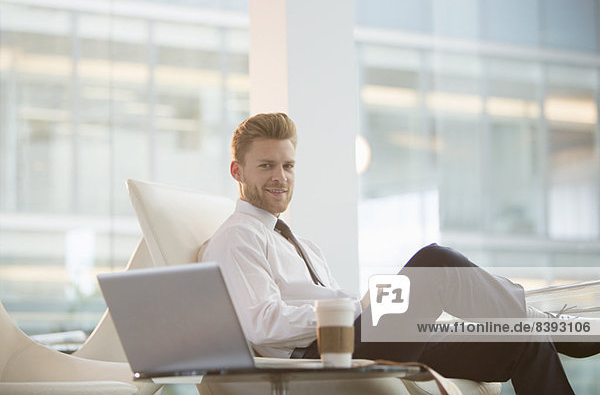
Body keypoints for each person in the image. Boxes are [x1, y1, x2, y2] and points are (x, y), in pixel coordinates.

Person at [202, 112, 599, 395]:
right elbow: (262, 325)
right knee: (434, 262)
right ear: (238, 172)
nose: (281, 177)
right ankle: (559, 328)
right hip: (319, 357)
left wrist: (360, 309)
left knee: (520, 340)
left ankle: (539, 327)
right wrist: (356, 310)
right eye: (267, 166)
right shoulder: (237, 238)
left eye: (288, 165)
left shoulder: (302, 243)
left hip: (353, 340)